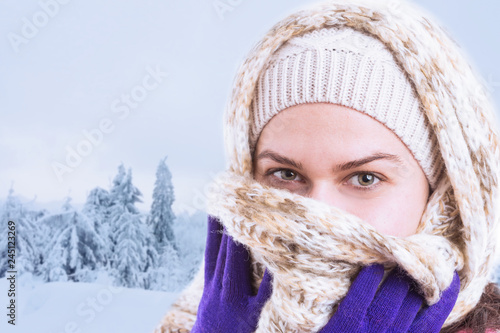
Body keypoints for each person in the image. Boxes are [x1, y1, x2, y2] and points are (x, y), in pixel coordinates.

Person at [154, 0, 500, 332]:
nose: (316, 214)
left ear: (445, 201)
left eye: (365, 178)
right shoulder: (192, 319)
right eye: (286, 174)